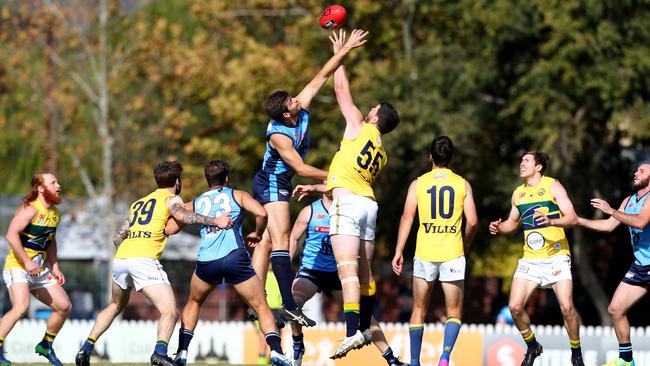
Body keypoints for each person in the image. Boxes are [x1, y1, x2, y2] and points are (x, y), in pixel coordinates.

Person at [251, 28, 369, 327]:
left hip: (280, 182)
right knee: (280, 240)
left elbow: (320, 77)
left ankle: (254, 299)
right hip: (272, 183)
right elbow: (302, 169)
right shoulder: (279, 134)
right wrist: (335, 174)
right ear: (286, 115)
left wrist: (343, 51)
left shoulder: (297, 109)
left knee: (266, 242)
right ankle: (288, 305)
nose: (297, 99)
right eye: (292, 101)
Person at [294, 29, 400, 359]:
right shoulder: (381, 150)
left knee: (347, 271)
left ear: (375, 116)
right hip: (369, 204)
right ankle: (364, 327)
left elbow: (341, 90)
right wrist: (317, 186)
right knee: (365, 276)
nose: (366, 109)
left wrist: (340, 55)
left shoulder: (359, 125)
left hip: (349, 205)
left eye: (372, 108)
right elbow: (348, 174)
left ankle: (353, 331)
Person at [75, 161, 232, 366]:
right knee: (169, 310)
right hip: (143, 258)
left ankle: (85, 348)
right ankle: (160, 352)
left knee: (114, 305)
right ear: (177, 181)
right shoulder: (171, 198)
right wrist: (216, 220)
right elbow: (184, 215)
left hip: (122, 258)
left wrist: (129, 257)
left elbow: (117, 237)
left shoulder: (139, 203)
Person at [173, 160, 293, 366]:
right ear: (226, 179)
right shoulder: (237, 195)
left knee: (194, 302)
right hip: (234, 258)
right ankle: (276, 352)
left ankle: (182, 352)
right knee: (261, 306)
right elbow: (262, 213)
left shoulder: (197, 201)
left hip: (206, 261)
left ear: (207, 180)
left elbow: (175, 217)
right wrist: (257, 232)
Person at [488, 151, 584, 366]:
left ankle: (576, 352)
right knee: (514, 306)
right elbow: (512, 224)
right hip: (530, 260)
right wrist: (499, 227)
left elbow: (572, 218)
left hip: (556, 256)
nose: (521, 164)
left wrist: (550, 220)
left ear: (538, 167)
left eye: (526, 161)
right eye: (521, 160)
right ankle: (533, 345)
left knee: (567, 307)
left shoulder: (553, 186)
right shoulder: (518, 194)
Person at [289, 193, 407, 366]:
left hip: (338, 274)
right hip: (311, 271)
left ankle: (391, 359)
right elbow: (293, 238)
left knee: (366, 318)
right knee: (292, 304)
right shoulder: (309, 211)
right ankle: (298, 342)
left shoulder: (351, 211)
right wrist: (285, 265)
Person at [392, 136, 478, 366]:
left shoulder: (418, 183)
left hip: (425, 253)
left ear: (430, 156)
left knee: (419, 308)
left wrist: (399, 250)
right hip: (453, 252)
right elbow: (473, 221)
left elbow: (407, 217)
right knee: (453, 312)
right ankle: (445, 356)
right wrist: (465, 243)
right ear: (451, 157)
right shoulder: (462, 184)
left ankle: (414, 362)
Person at [576, 162, 650, 366]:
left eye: (642, 171)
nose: (636, 173)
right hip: (641, 265)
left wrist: (610, 210)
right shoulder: (628, 200)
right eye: (636, 170)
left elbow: (641, 221)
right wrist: (578, 221)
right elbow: (609, 225)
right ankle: (627, 361)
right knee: (615, 309)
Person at [0, 172, 71, 366]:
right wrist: (27, 262)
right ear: (40, 188)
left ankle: (46, 346)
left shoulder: (55, 213)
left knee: (64, 307)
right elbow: (11, 235)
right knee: (21, 307)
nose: (58, 185)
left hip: (39, 269)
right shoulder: (31, 210)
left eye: (58, 181)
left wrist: (55, 266)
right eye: (53, 182)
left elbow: (51, 241)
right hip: (18, 266)